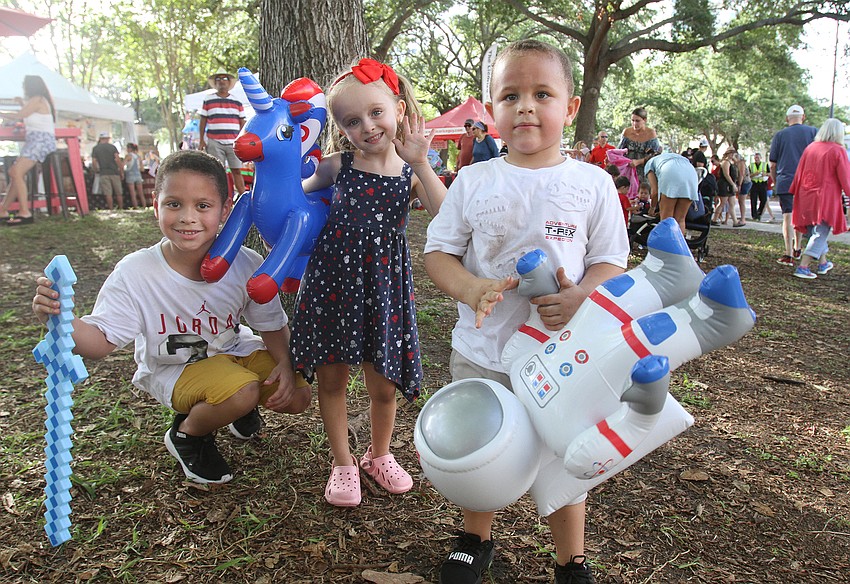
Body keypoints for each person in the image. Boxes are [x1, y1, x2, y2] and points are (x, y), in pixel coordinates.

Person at [424, 38, 628, 584]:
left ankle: (571, 560)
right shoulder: (473, 179)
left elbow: (611, 262)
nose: (527, 107)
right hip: (483, 349)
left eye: (543, 93)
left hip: (562, 356)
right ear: (491, 109)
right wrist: (470, 288)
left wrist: (583, 294)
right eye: (510, 95)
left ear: (571, 107)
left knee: (563, 457)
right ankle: (475, 536)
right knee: (479, 444)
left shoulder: (593, 184)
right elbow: (437, 253)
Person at [31, 150, 311, 484]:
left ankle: (237, 407)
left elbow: (271, 323)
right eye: (174, 204)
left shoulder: (244, 262)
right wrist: (60, 319)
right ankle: (188, 434)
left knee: (297, 394)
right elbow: (99, 343)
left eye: (203, 206)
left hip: (232, 352)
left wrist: (284, 363)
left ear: (225, 209)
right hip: (175, 368)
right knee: (242, 391)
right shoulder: (136, 272)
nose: (187, 217)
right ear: (156, 205)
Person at [289, 58, 446, 508]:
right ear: (341, 129)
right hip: (333, 284)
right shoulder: (338, 166)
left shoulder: (411, 169)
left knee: (382, 384)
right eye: (352, 121)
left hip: (383, 287)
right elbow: (294, 192)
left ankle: (379, 455)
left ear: (398, 109)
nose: (368, 126)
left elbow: (447, 212)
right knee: (332, 379)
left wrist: (422, 164)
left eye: (376, 113)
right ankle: (343, 462)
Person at [789, 118, 850, 279]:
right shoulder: (838, 150)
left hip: (805, 195)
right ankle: (803, 266)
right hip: (825, 198)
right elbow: (846, 178)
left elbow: (799, 172)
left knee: (815, 231)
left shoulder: (811, 148)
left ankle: (823, 263)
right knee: (820, 232)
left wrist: (795, 191)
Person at [0, 75, 56, 225]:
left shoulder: (37, 99)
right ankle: (3, 210)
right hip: (36, 140)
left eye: (25, 85)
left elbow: (20, 116)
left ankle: (25, 212)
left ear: (31, 86)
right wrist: (21, 103)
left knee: (16, 172)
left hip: (40, 140)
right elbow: (27, 113)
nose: (23, 88)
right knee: (15, 173)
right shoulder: (38, 100)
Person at [770, 104, 817, 266]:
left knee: (788, 216)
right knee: (802, 215)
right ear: (803, 117)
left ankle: (788, 253)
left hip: (786, 180)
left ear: (786, 119)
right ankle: (798, 247)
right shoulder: (813, 132)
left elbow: (773, 164)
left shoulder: (780, 135)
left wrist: (776, 182)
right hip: (807, 182)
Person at [198, 68, 247, 197]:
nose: (221, 81)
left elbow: (243, 122)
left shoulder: (237, 101)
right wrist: (202, 139)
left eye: (224, 78)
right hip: (214, 141)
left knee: (237, 170)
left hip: (233, 142)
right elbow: (203, 120)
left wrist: (242, 139)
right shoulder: (208, 100)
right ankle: (221, 197)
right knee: (217, 171)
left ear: (229, 82)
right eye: (218, 79)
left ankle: (243, 198)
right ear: (215, 83)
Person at [643, 151, 700, 234]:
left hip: (670, 173)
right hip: (691, 175)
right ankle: (678, 245)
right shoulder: (671, 156)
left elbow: (654, 191)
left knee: (667, 220)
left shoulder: (649, 163)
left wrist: (652, 209)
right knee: (680, 219)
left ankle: (665, 246)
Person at [617, 107, 661, 181]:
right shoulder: (627, 132)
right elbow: (619, 151)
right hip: (627, 171)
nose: (634, 123)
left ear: (645, 120)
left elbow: (655, 156)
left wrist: (639, 161)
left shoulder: (651, 133)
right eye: (632, 120)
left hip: (644, 172)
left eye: (637, 121)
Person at [91, 132, 124, 210]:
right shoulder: (112, 147)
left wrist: (96, 170)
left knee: (108, 193)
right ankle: (121, 208)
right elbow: (117, 159)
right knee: (119, 192)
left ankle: (111, 209)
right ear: (108, 139)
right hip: (114, 172)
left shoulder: (96, 148)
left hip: (103, 173)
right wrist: (121, 170)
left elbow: (94, 162)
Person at [711, 149, 739, 226]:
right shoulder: (725, 162)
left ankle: (735, 221)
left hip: (730, 185)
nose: (733, 155)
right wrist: (732, 184)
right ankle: (714, 219)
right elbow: (726, 174)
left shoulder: (732, 162)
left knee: (732, 203)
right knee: (722, 203)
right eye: (732, 153)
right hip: (725, 184)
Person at [749, 152, 770, 222]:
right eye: (755, 158)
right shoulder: (751, 165)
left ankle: (759, 212)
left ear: (760, 158)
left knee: (763, 199)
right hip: (754, 184)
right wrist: (754, 174)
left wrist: (765, 174)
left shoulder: (765, 164)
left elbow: (770, 173)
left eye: (757, 157)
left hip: (762, 183)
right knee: (753, 200)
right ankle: (754, 215)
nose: (756, 159)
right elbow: (748, 175)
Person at [124, 143, 145, 208]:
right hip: (138, 175)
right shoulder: (138, 157)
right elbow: (142, 169)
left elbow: (123, 164)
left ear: (129, 149)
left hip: (130, 175)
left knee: (133, 194)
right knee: (141, 193)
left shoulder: (128, 156)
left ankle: (136, 207)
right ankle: (144, 206)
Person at [735, 153, 751, 226]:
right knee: (740, 201)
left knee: (741, 201)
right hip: (743, 182)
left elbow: (741, 174)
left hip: (745, 183)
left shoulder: (741, 163)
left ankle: (743, 219)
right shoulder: (738, 163)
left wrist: (739, 185)